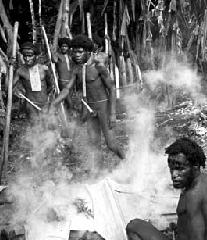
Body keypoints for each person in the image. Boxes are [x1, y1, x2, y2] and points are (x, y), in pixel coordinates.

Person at [126, 137, 207, 240]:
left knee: (133, 226)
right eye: (172, 169)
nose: (174, 175)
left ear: (195, 166)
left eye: (180, 168)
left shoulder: (193, 196)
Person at [51, 34, 124, 168]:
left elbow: (112, 88)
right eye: (74, 51)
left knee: (111, 144)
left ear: (88, 51)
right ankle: (99, 173)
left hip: (103, 107)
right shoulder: (77, 68)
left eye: (80, 51)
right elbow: (67, 88)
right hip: (90, 109)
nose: (76, 54)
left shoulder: (98, 66)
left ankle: (128, 163)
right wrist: (54, 103)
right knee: (94, 143)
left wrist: (112, 113)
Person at [13, 42, 53, 116]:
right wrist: (17, 92)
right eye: (25, 56)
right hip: (30, 105)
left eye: (30, 56)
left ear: (36, 56)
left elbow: (50, 85)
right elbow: (9, 88)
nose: (27, 59)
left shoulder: (44, 69)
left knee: (46, 125)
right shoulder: (20, 71)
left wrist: (43, 97)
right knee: (34, 126)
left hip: (44, 104)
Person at [55, 37, 72, 109]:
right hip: (63, 82)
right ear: (60, 47)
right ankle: (72, 115)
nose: (64, 48)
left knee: (66, 101)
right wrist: (52, 50)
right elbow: (54, 60)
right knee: (69, 102)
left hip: (70, 82)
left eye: (66, 46)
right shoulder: (58, 56)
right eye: (63, 46)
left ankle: (65, 115)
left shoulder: (70, 56)